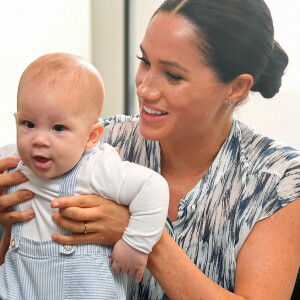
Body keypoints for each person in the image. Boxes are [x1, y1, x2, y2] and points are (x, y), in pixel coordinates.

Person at [1, 0, 300, 299]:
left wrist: (143, 238)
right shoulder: (95, 141)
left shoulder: (278, 180)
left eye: (173, 75)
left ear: (236, 88)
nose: (145, 88)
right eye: (144, 61)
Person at [0, 53, 169, 300]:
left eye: (58, 128)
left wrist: (135, 244)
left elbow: (153, 187)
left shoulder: (96, 168)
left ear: (91, 136)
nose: (39, 139)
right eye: (28, 124)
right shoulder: (13, 160)